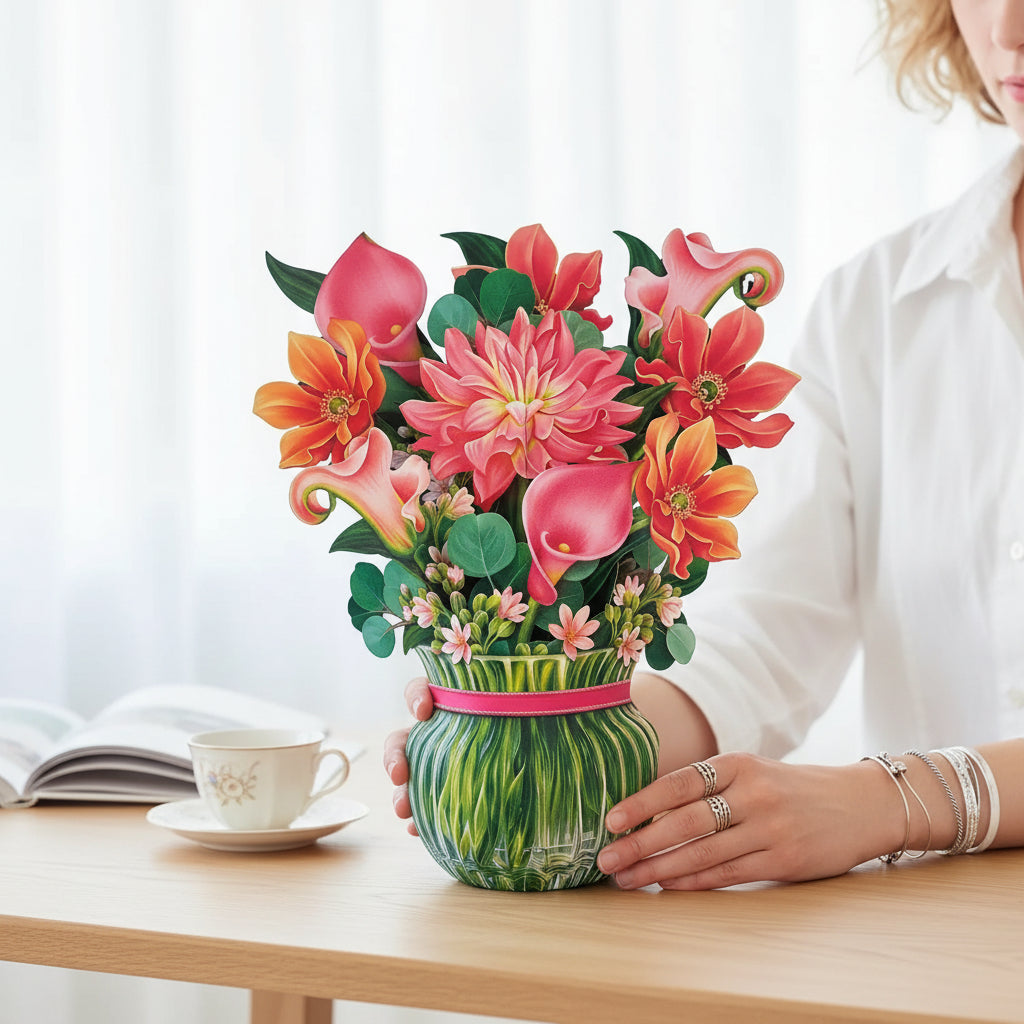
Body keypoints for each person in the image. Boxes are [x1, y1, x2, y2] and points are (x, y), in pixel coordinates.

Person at [384, 0, 1024, 889]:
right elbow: (769, 635)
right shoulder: (876, 305)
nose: (1007, 31)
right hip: (929, 953)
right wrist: (560, 732)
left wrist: (894, 802)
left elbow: (882, 802)